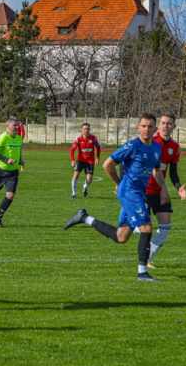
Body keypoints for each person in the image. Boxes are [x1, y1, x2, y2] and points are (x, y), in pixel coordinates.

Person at [64, 113, 169, 281]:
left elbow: (156, 170)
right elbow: (108, 164)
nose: (146, 129)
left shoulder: (156, 148)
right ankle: (142, 273)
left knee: (121, 237)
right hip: (129, 191)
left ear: (155, 129)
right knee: (147, 228)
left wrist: (163, 187)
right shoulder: (132, 146)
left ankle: (84, 218)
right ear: (138, 128)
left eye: (150, 126)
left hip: (138, 193)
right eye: (143, 126)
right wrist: (119, 183)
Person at [145, 112, 186, 268]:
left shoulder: (175, 147)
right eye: (163, 123)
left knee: (165, 226)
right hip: (143, 190)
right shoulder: (149, 141)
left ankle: (146, 259)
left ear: (174, 127)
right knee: (136, 229)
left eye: (169, 123)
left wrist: (179, 189)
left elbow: (172, 172)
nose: (165, 126)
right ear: (158, 125)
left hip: (160, 191)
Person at [0, 115, 24, 227]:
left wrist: (21, 160)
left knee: (10, 195)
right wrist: (6, 160)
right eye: (14, 125)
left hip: (12, 172)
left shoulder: (19, 139)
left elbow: (19, 152)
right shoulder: (2, 138)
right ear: (8, 126)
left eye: (18, 125)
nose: (17, 127)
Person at [70, 123, 101, 198]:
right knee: (75, 176)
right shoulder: (78, 138)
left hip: (90, 161)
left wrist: (97, 158)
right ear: (82, 129)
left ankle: (85, 186)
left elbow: (98, 147)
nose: (86, 130)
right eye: (85, 129)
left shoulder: (93, 138)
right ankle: (74, 193)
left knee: (89, 179)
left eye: (88, 129)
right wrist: (73, 160)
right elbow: (72, 149)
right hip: (80, 160)